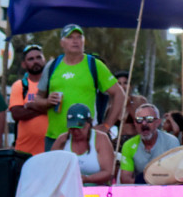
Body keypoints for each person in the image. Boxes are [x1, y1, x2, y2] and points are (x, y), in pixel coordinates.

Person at [30, 24, 126, 152]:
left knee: (84, 173)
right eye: (70, 37)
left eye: (79, 37)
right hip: (55, 138)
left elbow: (119, 94)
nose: (75, 41)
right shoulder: (52, 65)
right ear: (62, 43)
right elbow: (36, 99)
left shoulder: (94, 64)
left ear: (83, 41)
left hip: (86, 138)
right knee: (56, 172)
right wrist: (47, 102)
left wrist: (107, 125)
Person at [53, 103, 116, 186]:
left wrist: (87, 179)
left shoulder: (101, 139)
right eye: (72, 128)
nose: (75, 131)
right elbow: (52, 168)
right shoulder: (62, 140)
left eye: (79, 128)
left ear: (88, 124)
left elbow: (108, 172)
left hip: (96, 190)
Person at [119, 103, 180, 184]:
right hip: (141, 191)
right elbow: (125, 180)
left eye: (149, 119)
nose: (144, 123)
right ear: (135, 123)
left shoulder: (171, 142)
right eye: (139, 120)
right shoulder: (129, 145)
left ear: (158, 122)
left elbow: (176, 176)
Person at [9, 44, 49, 155]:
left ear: (44, 60)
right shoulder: (20, 86)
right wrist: (46, 105)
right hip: (25, 151)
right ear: (23, 64)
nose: (35, 61)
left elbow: (59, 108)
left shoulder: (53, 84)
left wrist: (31, 105)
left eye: (38, 57)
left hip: (52, 148)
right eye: (31, 59)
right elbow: (17, 114)